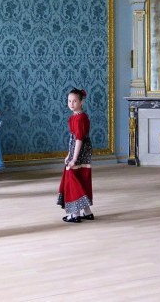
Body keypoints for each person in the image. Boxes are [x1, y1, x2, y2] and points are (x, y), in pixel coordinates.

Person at [56, 88, 94, 223]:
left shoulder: (80, 118)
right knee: (80, 179)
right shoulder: (75, 117)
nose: (71, 104)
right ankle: (87, 212)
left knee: (73, 181)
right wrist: (69, 154)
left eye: (74, 101)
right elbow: (73, 139)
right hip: (77, 150)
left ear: (81, 102)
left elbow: (79, 139)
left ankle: (75, 214)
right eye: (69, 101)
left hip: (80, 151)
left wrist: (74, 158)